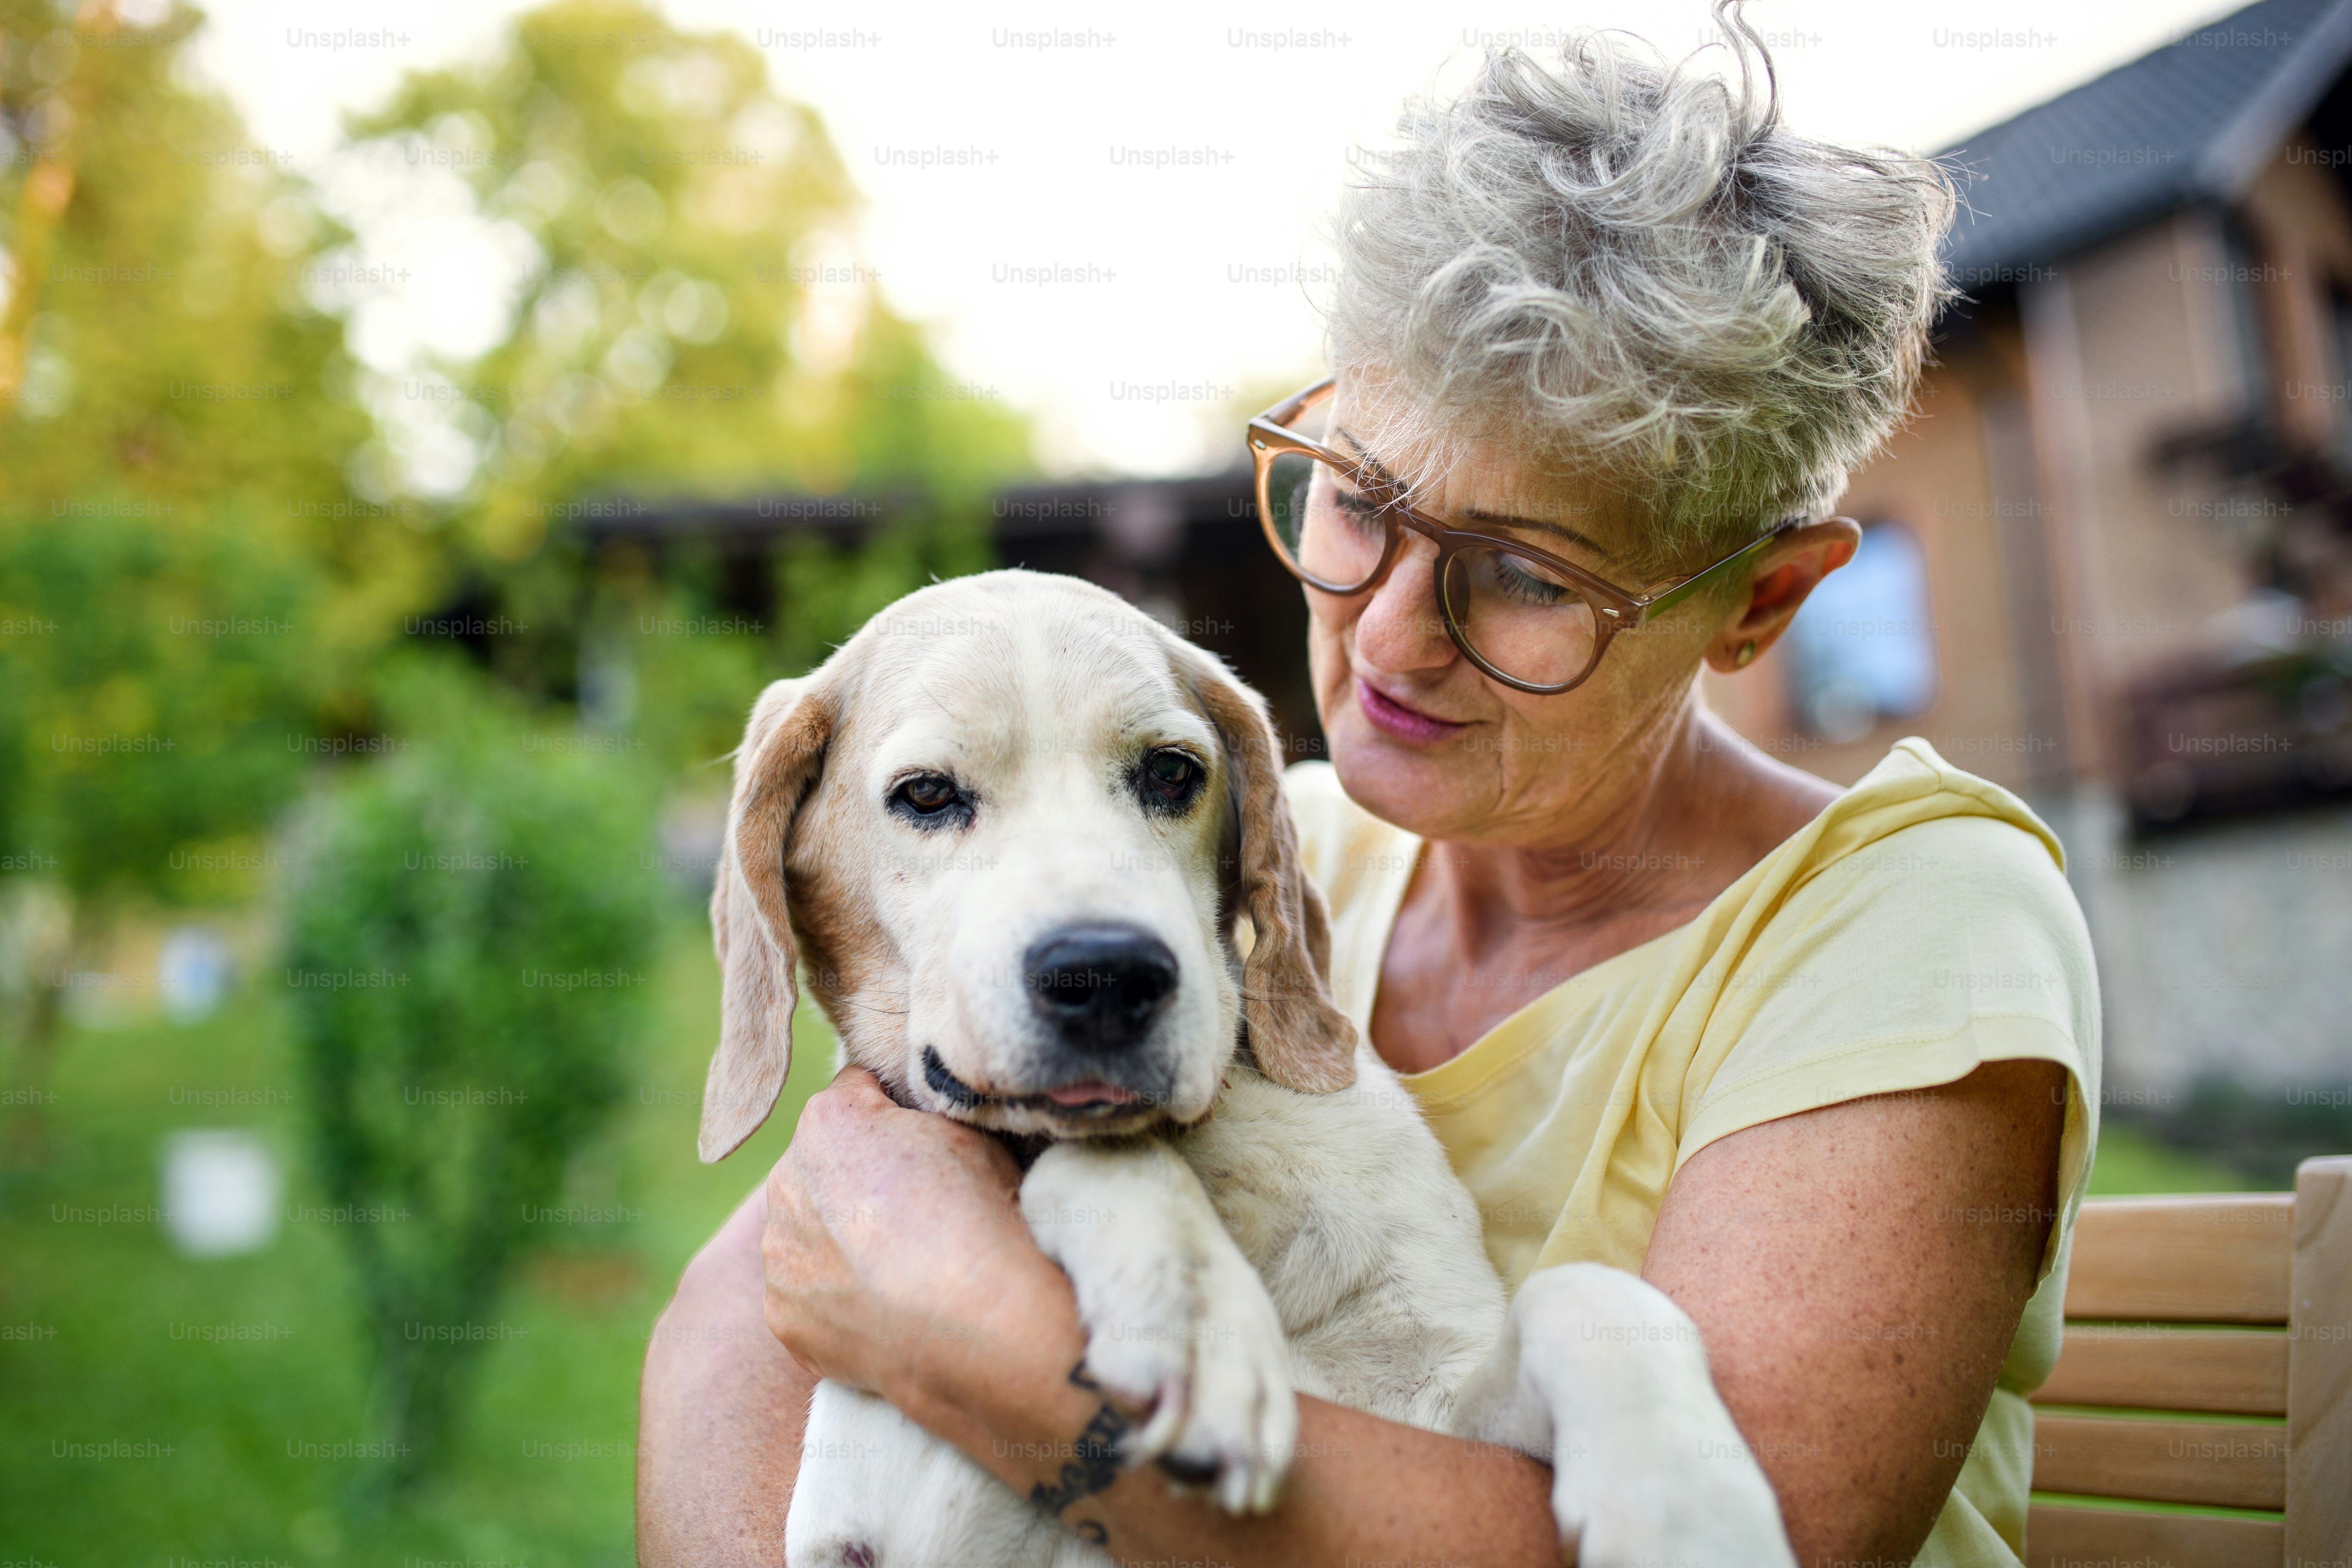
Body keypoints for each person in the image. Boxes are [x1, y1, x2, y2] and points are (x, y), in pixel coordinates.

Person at [637, 14, 2100, 1567]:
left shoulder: (1905, 924)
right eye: (1357, 500)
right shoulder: (1247, 860)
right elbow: (761, 1298)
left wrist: (993, 1350)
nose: (1391, 635)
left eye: (1528, 576)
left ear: (1759, 603)